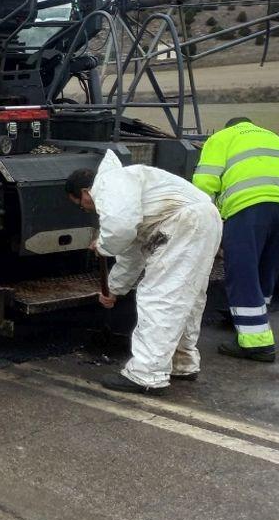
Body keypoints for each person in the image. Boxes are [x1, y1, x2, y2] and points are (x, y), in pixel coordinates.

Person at [65, 151, 222, 394]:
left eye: (81, 205)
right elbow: (132, 253)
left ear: (86, 192)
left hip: (181, 222)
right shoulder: (129, 185)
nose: (87, 210)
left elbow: (120, 230)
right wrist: (115, 289)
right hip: (204, 218)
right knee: (188, 297)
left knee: (160, 298)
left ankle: (146, 374)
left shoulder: (108, 184)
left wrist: (103, 244)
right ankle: (183, 363)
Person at [192, 117, 279, 363]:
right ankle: (253, 324)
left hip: (249, 208)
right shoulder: (273, 137)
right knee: (267, 267)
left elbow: (204, 184)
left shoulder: (221, 138)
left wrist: (204, 226)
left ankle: (257, 344)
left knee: (242, 271)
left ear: (228, 127)